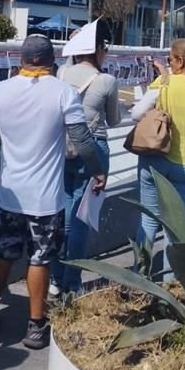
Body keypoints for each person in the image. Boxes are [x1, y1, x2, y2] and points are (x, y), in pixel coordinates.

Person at [0, 35, 106, 350]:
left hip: (10, 194)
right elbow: (82, 139)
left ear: (22, 59)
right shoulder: (63, 93)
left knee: (3, 251)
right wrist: (97, 170)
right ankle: (35, 326)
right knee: (39, 257)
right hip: (45, 199)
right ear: (52, 60)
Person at [50, 20, 121, 297]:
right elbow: (113, 120)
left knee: (60, 213)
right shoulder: (106, 80)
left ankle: (56, 278)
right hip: (94, 149)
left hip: (62, 148)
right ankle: (72, 282)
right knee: (79, 220)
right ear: (100, 48)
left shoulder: (62, 72)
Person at [130, 39, 185, 250]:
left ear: (179, 61)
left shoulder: (164, 83)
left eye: (170, 59)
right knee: (175, 227)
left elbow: (136, 114)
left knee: (149, 220)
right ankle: (172, 279)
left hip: (155, 160)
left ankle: (140, 274)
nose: (168, 63)